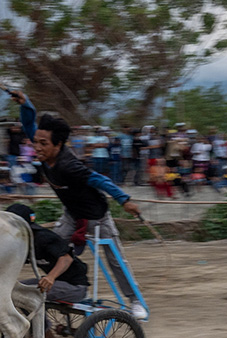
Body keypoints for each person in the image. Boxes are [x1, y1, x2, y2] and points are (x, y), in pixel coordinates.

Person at [13, 91, 147, 320]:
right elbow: (28, 125)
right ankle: (65, 289)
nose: (37, 147)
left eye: (43, 143)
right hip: (71, 216)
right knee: (52, 249)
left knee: (115, 260)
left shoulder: (69, 166)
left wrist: (125, 200)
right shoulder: (44, 152)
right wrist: (27, 104)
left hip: (97, 217)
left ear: (58, 144)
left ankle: (135, 301)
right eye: (35, 142)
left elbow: (101, 180)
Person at [5, 203, 90, 338]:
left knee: (25, 293)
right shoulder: (23, 242)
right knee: (13, 290)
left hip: (75, 286)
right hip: (56, 284)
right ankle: (42, 331)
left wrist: (50, 277)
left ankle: (43, 333)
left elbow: (66, 258)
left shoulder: (43, 237)